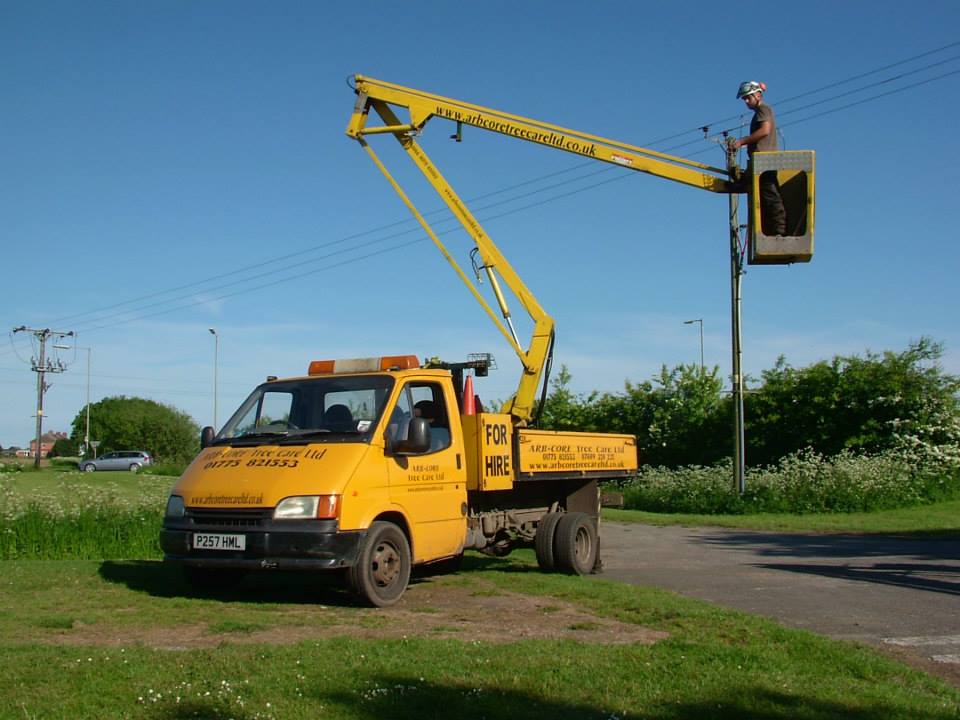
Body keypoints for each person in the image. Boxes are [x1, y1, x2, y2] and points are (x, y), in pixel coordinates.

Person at [730, 80, 787, 236]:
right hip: (760, 162)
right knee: (765, 195)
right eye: (744, 99)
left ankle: (779, 231)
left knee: (770, 194)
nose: (747, 102)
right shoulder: (760, 112)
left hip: (765, 161)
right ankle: (775, 230)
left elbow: (764, 131)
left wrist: (742, 142)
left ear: (758, 94)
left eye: (748, 98)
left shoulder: (763, 109)